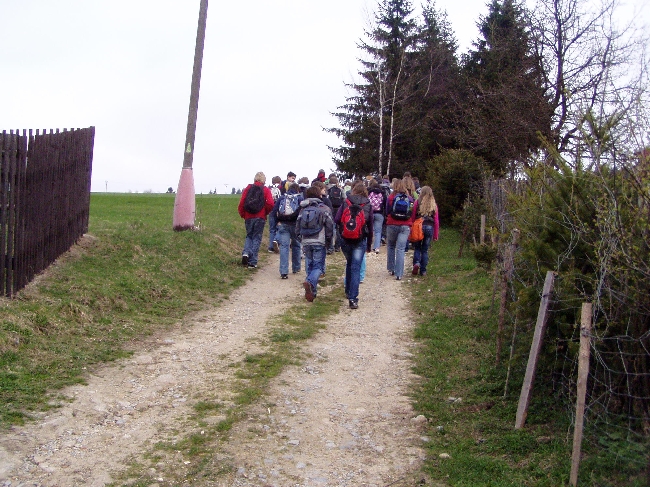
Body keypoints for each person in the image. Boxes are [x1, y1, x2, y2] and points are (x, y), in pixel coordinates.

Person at [335, 181, 373, 309]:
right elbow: (371, 225)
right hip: (360, 239)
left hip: (345, 238)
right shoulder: (367, 204)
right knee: (356, 267)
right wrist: (369, 244)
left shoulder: (346, 201)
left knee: (349, 263)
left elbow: (337, 219)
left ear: (354, 190)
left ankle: (347, 290)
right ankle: (353, 298)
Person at [296, 186, 333, 302]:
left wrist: (299, 238)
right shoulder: (324, 208)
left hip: (306, 241)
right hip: (319, 240)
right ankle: (310, 283)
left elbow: (297, 225)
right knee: (318, 267)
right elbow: (330, 225)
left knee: (310, 265)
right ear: (319, 195)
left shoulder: (303, 209)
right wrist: (329, 241)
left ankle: (312, 292)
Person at [238, 172, 275, 268]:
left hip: (248, 216)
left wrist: (243, 214)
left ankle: (246, 253)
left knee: (249, 236)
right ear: (264, 180)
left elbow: (242, 202)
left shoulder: (248, 188)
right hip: (260, 217)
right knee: (256, 238)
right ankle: (252, 261)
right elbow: (270, 203)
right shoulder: (265, 190)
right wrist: (265, 212)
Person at [385, 178, 417, 280]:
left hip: (392, 224)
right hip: (405, 225)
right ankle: (399, 273)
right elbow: (412, 213)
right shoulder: (410, 198)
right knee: (401, 249)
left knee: (391, 246)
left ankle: (391, 268)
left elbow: (387, 210)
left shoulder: (391, 197)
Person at [272, 182, 303, 279]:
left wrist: (278, 222)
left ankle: (284, 271)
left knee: (284, 247)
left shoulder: (282, 198)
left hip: (283, 224)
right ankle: (296, 267)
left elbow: (274, 210)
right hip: (295, 225)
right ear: (298, 190)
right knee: (296, 245)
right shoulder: (299, 198)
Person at [412, 186, 439, 276]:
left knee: (417, 247)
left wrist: (411, 227)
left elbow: (413, 216)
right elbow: (436, 221)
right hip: (429, 226)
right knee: (425, 250)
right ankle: (423, 270)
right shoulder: (433, 204)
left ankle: (416, 263)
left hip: (418, 226)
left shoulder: (417, 202)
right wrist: (435, 235)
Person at [368, 179, 386, 254]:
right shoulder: (382, 193)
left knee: (369, 230)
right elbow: (385, 204)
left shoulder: (369, 192)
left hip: (370, 213)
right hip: (379, 213)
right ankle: (376, 248)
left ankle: (368, 246)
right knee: (378, 231)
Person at [327, 175, 344, 252]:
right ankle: (337, 246)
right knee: (338, 228)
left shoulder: (327, 189)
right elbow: (344, 198)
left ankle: (330, 247)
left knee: (330, 227)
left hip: (330, 209)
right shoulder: (340, 190)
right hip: (339, 209)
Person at [267, 176, 282, 253]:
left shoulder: (269, 188)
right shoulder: (280, 188)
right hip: (278, 210)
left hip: (270, 210)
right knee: (280, 227)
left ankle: (271, 247)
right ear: (279, 181)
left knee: (272, 229)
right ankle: (277, 239)